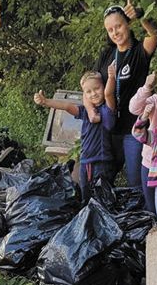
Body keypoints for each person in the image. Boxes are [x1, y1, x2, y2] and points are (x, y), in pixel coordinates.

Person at [94, 0, 157, 208]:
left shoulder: (140, 52)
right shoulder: (106, 55)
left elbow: (154, 34)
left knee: (135, 182)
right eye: (110, 29)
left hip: (134, 129)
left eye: (119, 26)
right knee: (102, 178)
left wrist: (141, 16)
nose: (115, 33)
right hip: (109, 127)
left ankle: (140, 224)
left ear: (128, 24)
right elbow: (92, 85)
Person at [33, 70, 116, 204]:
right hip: (85, 161)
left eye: (97, 88)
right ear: (84, 94)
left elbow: (109, 94)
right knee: (85, 194)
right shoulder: (85, 111)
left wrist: (111, 77)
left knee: (101, 197)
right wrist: (46, 102)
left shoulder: (107, 111)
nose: (93, 93)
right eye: (88, 91)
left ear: (103, 86)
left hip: (101, 162)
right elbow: (66, 106)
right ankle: (86, 219)